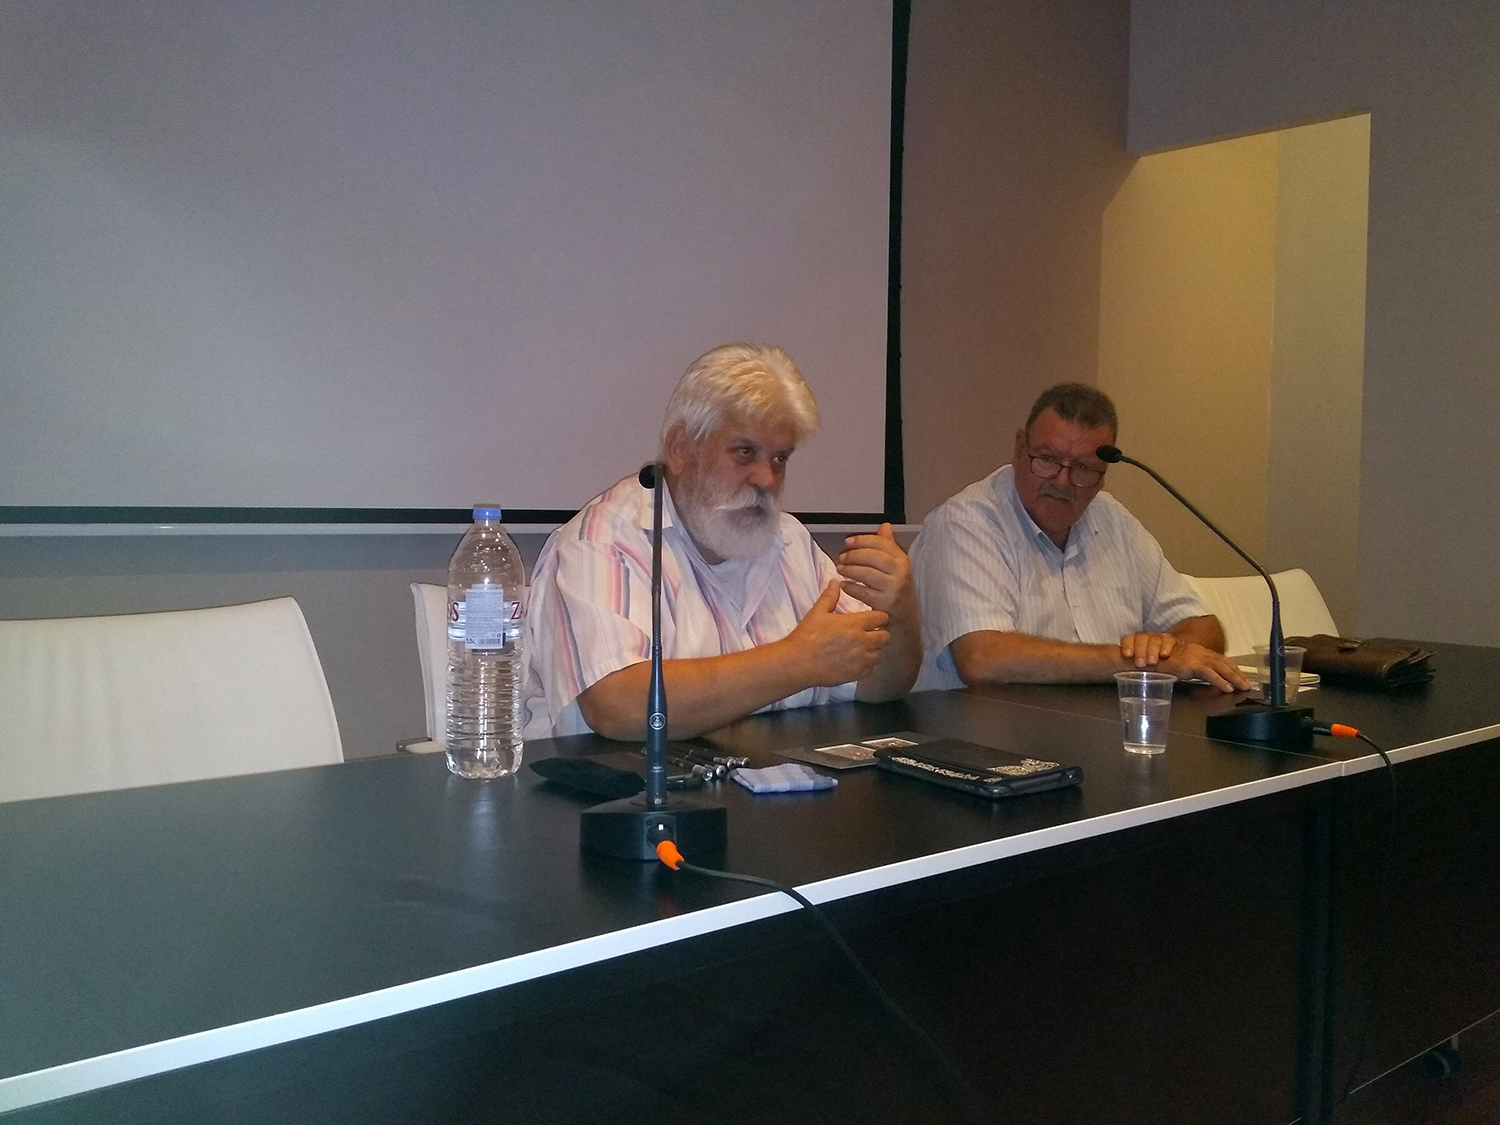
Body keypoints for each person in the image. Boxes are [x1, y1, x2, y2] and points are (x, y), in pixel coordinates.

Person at [522, 343, 922, 740]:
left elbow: (876, 686)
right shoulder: (603, 542)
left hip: (775, 773)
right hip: (633, 778)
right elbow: (618, 705)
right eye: (745, 452)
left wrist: (901, 612)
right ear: (681, 449)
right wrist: (795, 662)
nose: (766, 479)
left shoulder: (792, 542)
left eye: (779, 459)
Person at [910, 383, 1249, 692]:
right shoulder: (965, 523)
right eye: (1047, 459)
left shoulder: (1113, 520)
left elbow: (1203, 626)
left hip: (1095, 724)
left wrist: (1168, 649)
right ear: (1019, 449)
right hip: (976, 729)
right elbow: (982, 658)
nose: (1061, 481)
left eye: (1083, 468)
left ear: (1103, 473)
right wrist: (1138, 663)